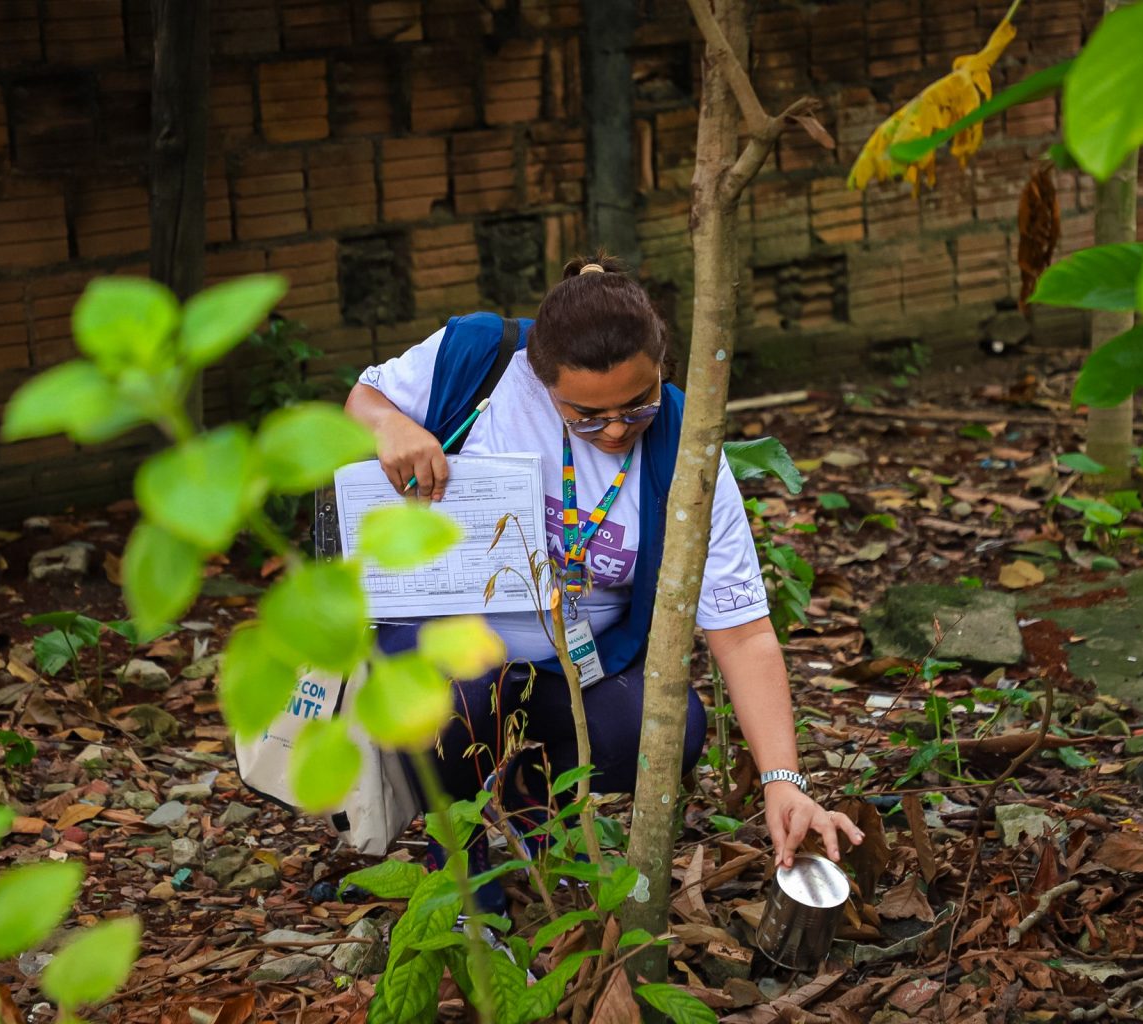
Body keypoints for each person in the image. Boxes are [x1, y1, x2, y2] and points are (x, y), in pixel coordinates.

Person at [344, 255, 862, 903]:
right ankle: (456, 851)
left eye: (637, 404)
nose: (616, 430)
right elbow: (365, 399)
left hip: (579, 667)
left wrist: (782, 779)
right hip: (446, 642)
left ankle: (533, 803)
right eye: (585, 415)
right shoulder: (484, 354)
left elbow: (743, 632)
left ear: (663, 365)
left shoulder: (685, 444)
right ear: (541, 378)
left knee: (661, 728)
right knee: (446, 698)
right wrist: (393, 426)